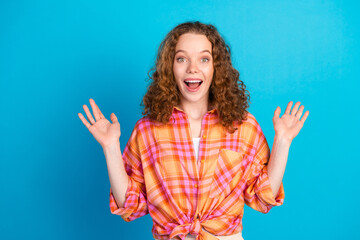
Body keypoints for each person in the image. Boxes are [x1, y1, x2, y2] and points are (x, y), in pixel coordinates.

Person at [78, 21, 309, 240]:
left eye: (204, 59)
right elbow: (130, 205)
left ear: (216, 67)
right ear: (170, 67)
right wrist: (110, 147)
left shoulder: (243, 125)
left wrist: (283, 141)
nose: (193, 69)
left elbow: (263, 197)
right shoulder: (147, 130)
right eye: (181, 59)